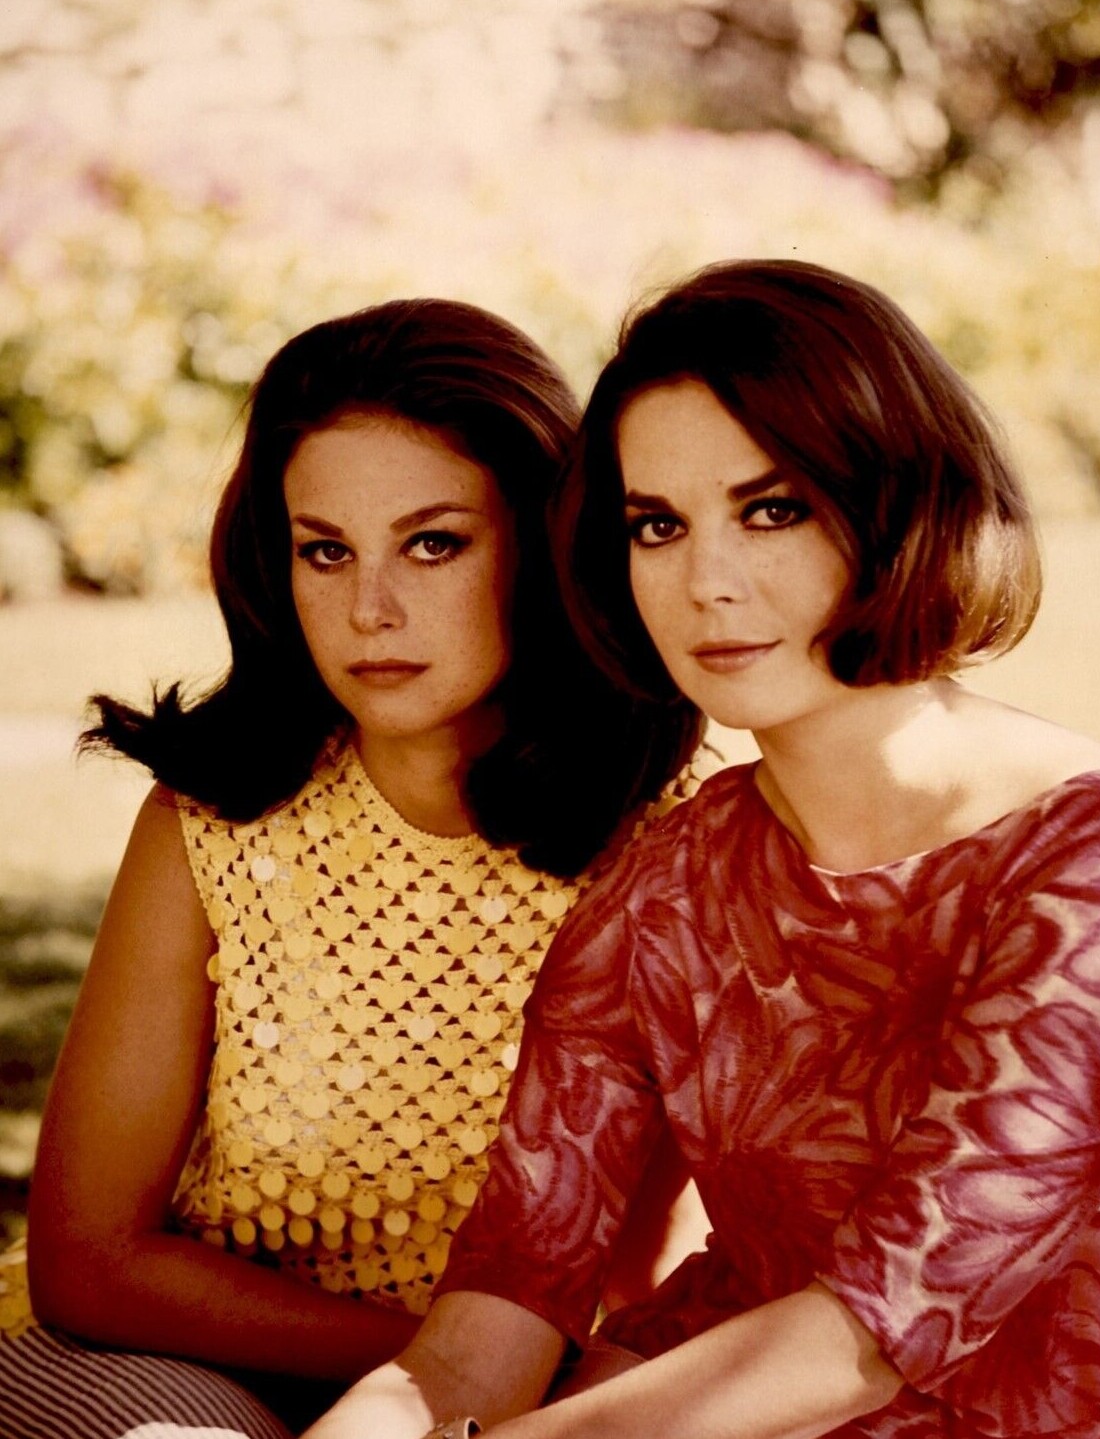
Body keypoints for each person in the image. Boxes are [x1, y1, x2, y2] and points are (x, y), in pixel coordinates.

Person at [303, 260, 1100, 1439]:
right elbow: (493, 1313)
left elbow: (873, 1331)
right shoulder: (669, 884)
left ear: (902, 503)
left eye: (772, 509)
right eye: (658, 525)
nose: (706, 582)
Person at [0, 298, 713, 1438]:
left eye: (433, 543)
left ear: (541, 542)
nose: (369, 609)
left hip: (525, 1401)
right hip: (179, 1359)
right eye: (325, 550)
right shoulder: (213, 823)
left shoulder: (677, 843)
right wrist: (440, 1365)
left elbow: (649, 1273)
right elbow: (88, 1262)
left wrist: (471, 1392)